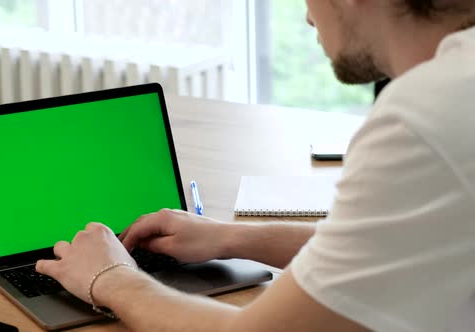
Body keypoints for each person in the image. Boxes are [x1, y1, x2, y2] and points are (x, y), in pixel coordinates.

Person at [36, 1, 475, 331]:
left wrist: (111, 279)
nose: (306, 17)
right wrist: (231, 237)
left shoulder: (424, 113)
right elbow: (388, 245)